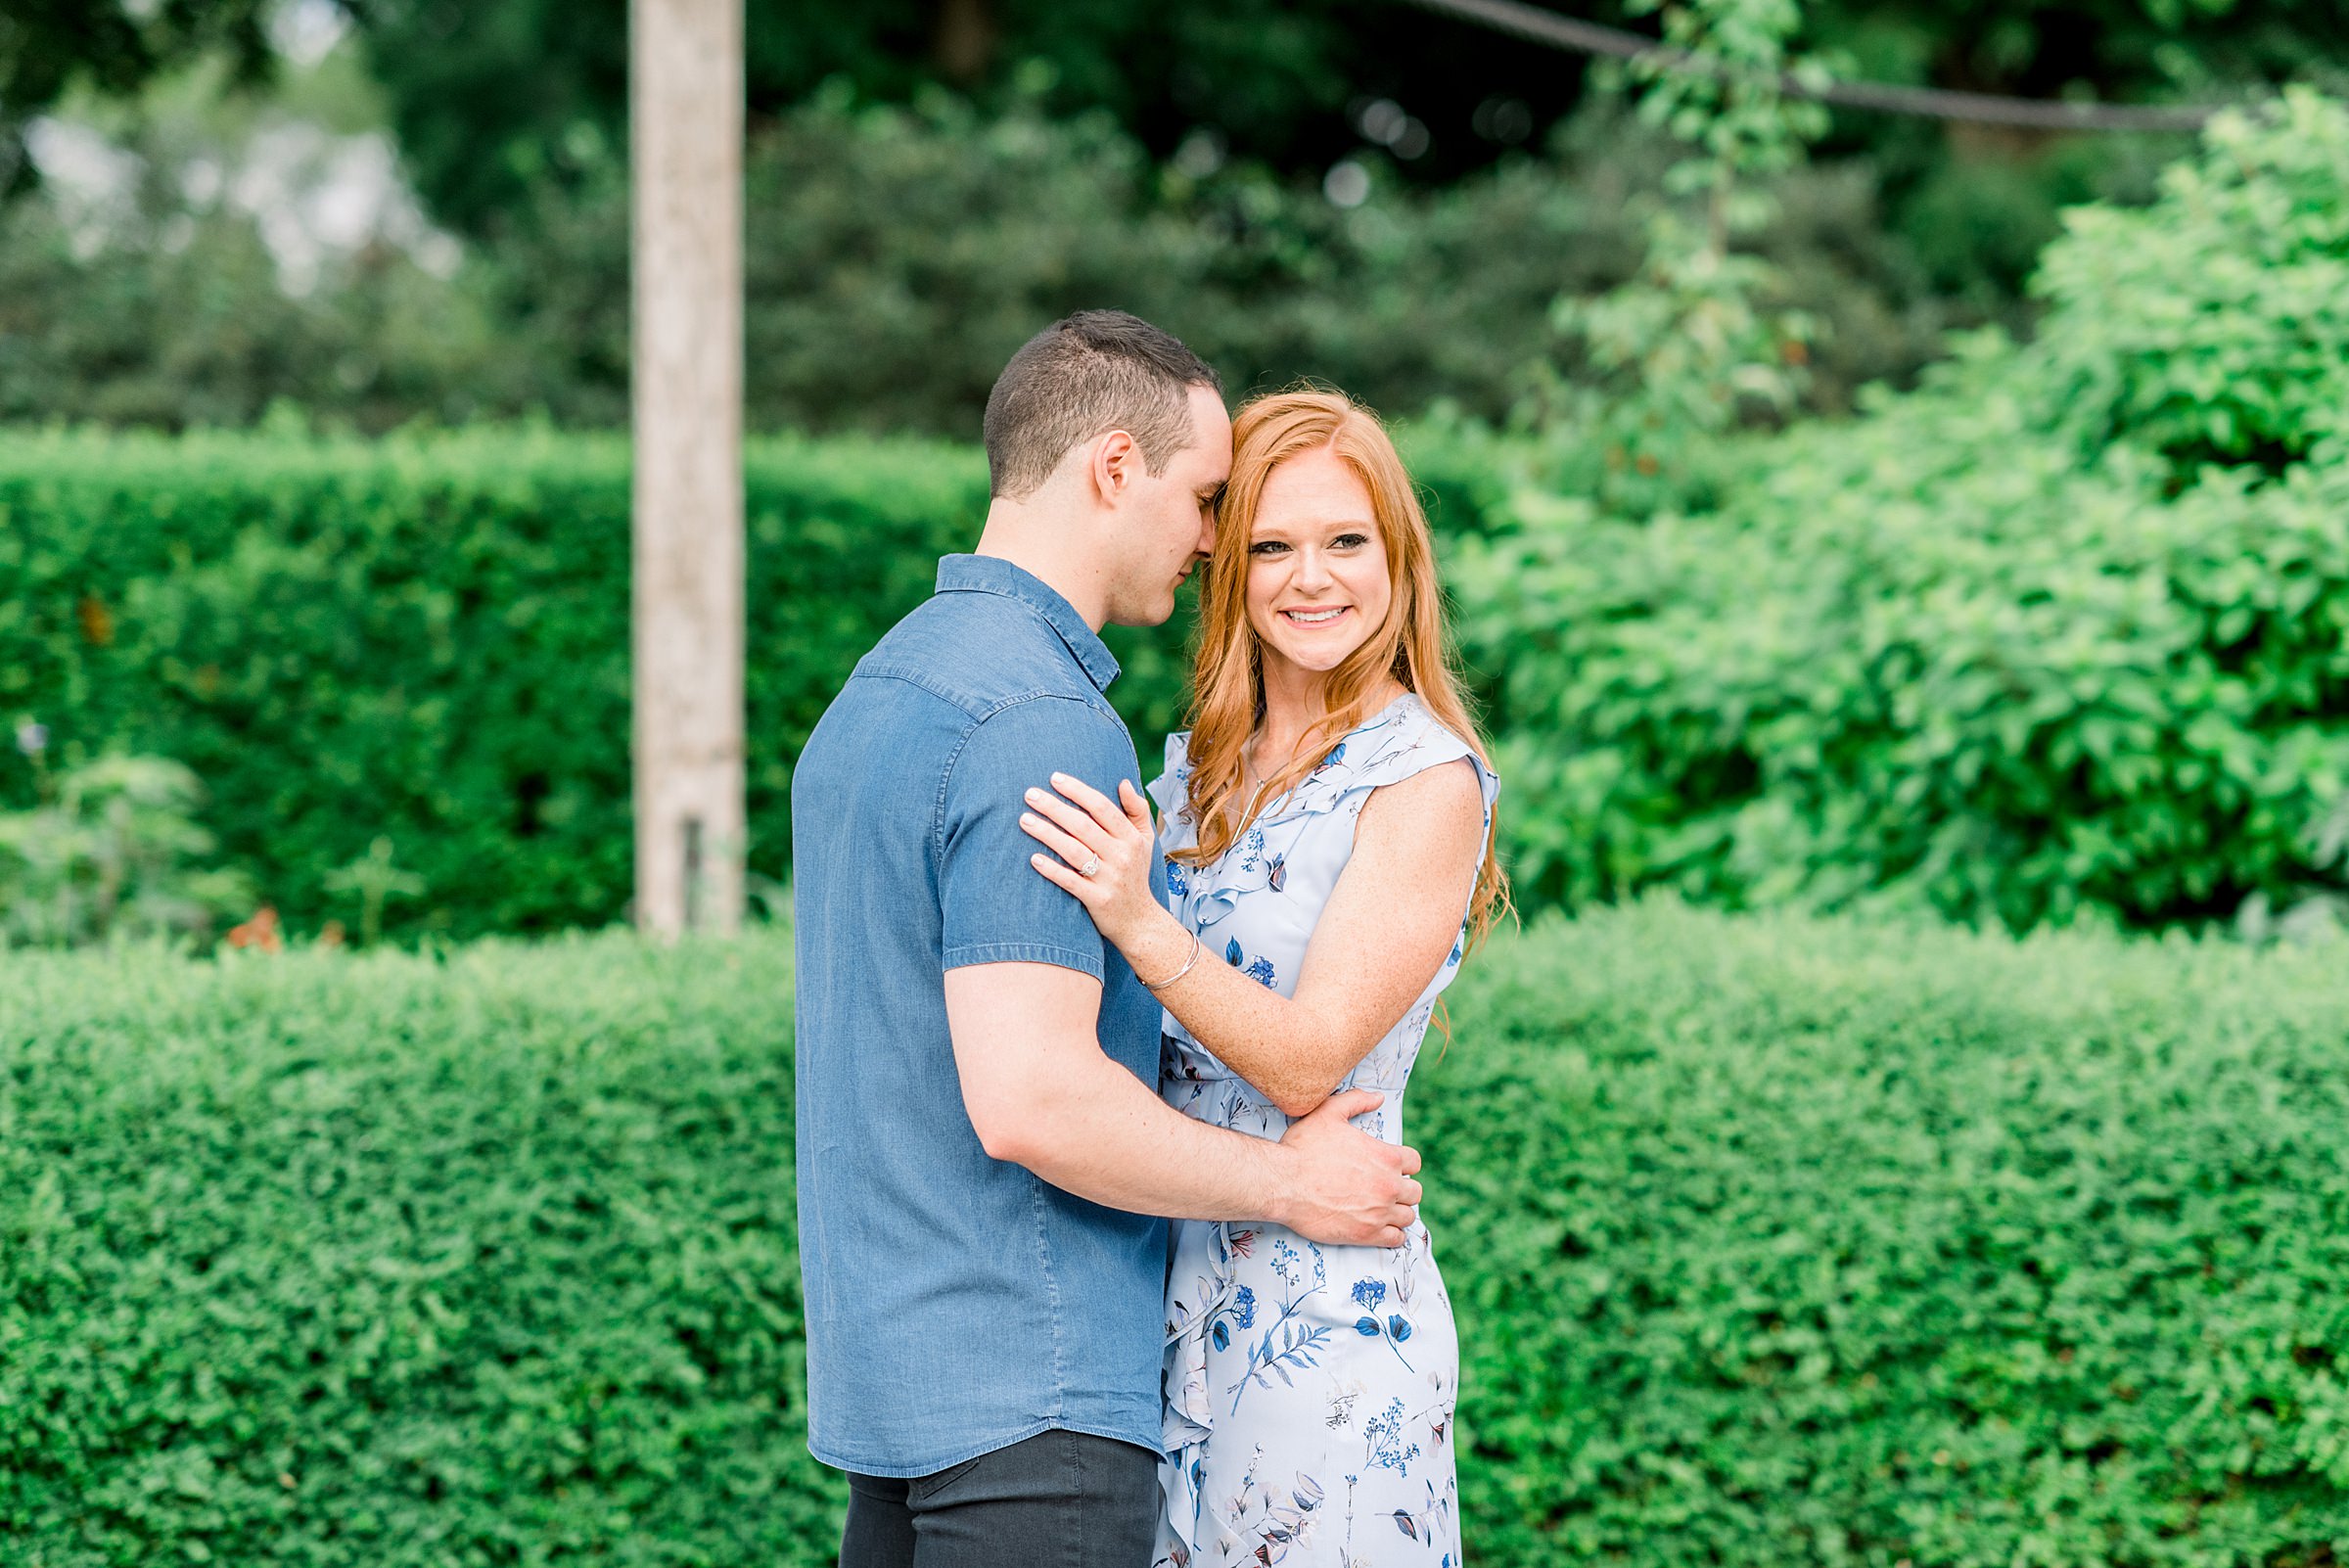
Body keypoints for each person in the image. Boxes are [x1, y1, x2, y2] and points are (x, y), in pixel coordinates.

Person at [791, 316, 1428, 1568]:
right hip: (1033, 1402)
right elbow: (1034, 1100)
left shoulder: (880, 692)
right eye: (1208, 502)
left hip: (899, 1395)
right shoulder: (1044, 721)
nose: (1207, 541)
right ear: (1114, 469)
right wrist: (1292, 1183)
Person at [1020, 388, 1509, 1565]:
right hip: (1164, 1287)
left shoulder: (1422, 779)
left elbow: (1307, 1056)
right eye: (1272, 547)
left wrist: (1141, 922)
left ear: (1399, 558)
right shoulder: (1199, 770)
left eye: (1346, 541)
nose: (1311, 578)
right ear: (1228, 568)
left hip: (1322, 1309)